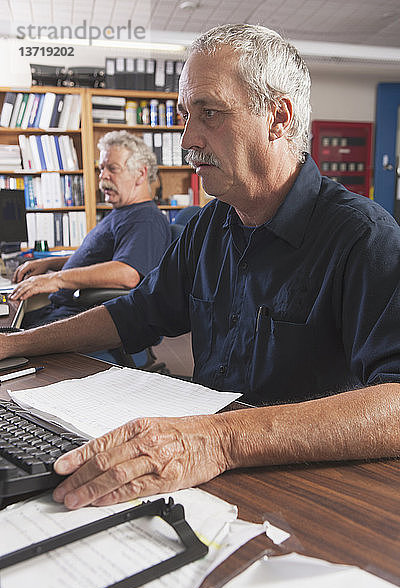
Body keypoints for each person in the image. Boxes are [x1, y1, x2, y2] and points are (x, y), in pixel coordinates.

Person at [1, 24, 399, 511]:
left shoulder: (363, 236)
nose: (188, 139)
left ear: (278, 117)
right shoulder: (207, 227)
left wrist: (219, 439)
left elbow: (395, 405)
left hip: (305, 491)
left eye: (209, 113)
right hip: (198, 468)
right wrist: (12, 345)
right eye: (185, 116)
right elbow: (134, 314)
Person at [10, 130, 171, 328]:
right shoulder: (124, 212)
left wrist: (56, 279)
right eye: (102, 168)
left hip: (80, 319)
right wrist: (50, 263)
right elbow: (99, 261)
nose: (102, 176)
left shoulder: (145, 219)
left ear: (140, 173)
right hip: (63, 311)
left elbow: (127, 274)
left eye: (112, 168)